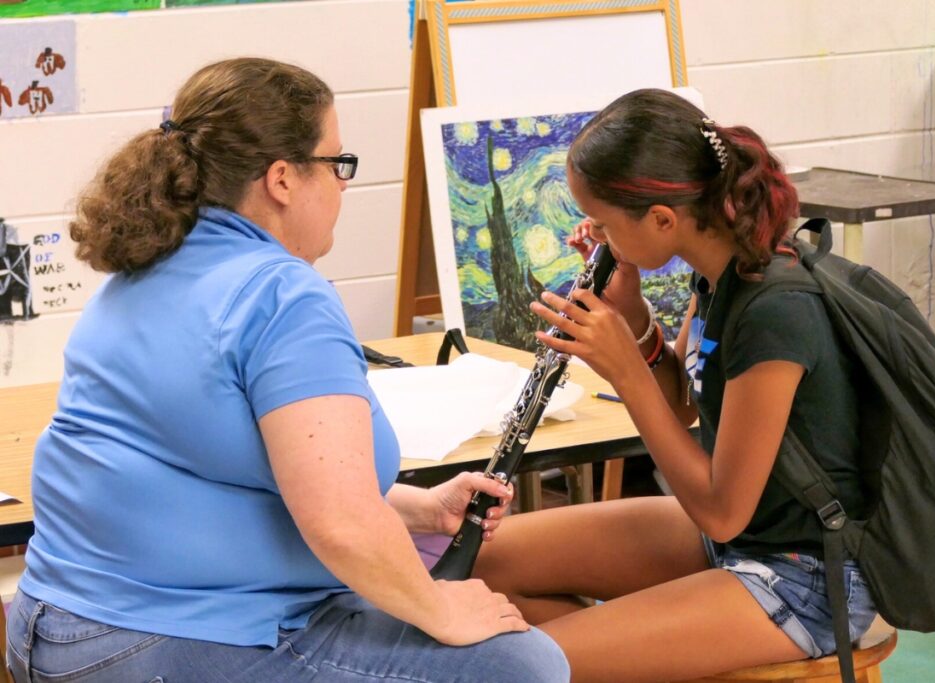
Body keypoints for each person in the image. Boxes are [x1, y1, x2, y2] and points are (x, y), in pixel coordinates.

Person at [6, 57, 569, 683]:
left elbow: (237, 468)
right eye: (337, 164)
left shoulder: (143, 269)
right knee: (522, 665)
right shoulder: (283, 295)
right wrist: (441, 610)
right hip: (163, 638)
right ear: (281, 178)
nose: (344, 185)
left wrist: (418, 508)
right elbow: (341, 524)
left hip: (51, 626)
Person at [473, 88, 879, 683]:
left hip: (804, 574)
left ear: (662, 219)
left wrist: (625, 372)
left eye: (606, 224)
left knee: (513, 662)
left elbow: (720, 511)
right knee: (486, 563)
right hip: (743, 535)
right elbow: (685, 405)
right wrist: (635, 316)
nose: (599, 239)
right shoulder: (720, 274)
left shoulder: (776, 309)